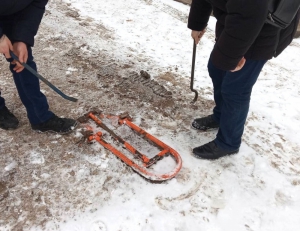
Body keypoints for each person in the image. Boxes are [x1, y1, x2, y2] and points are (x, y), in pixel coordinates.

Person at [188, 0, 300, 159]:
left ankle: (228, 143)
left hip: (259, 34)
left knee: (235, 89)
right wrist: (197, 24)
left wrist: (231, 57)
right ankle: (221, 116)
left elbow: (250, 15)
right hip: (233, 25)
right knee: (216, 69)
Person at [0, 0, 77, 134]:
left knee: (23, 60)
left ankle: (40, 117)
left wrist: (22, 39)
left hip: (11, 12)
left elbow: (35, 5)